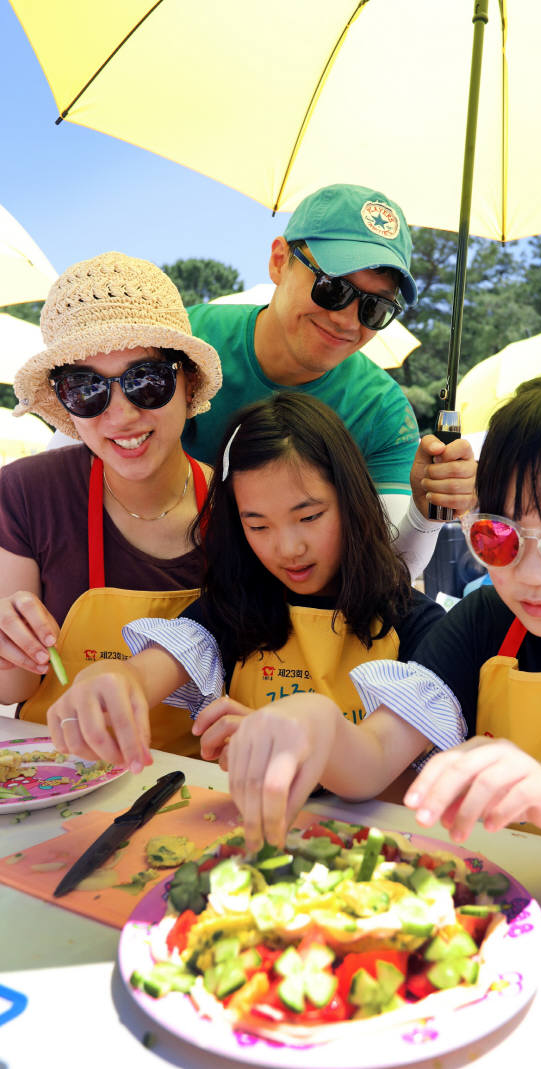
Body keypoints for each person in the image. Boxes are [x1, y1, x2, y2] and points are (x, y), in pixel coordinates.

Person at [194, 374, 541, 872]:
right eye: (498, 536)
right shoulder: (484, 623)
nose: (530, 574)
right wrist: (312, 723)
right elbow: (372, 762)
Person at [46, 393, 445, 789]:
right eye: (258, 526)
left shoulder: (420, 627)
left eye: (309, 516)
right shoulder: (231, 609)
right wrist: (109, 681)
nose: (288, 548)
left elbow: (373, 768)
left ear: (352, 500)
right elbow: (143, 673)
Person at [180, 183, 476, 579]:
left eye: (375, 307)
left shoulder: (381, 412)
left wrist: (425, 514)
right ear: (279, 261)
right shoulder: (183, 346)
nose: (347, 320)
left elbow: (392, 565)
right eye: (333, 288)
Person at [1, 252, 222, 758]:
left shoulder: (240, 510)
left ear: (187, 383)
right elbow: (11, 691)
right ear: (65, 405)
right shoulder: (24, 493)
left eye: (147, 379)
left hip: (192, 787)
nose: (121, 414)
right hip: (56, 774)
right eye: (86, 388)